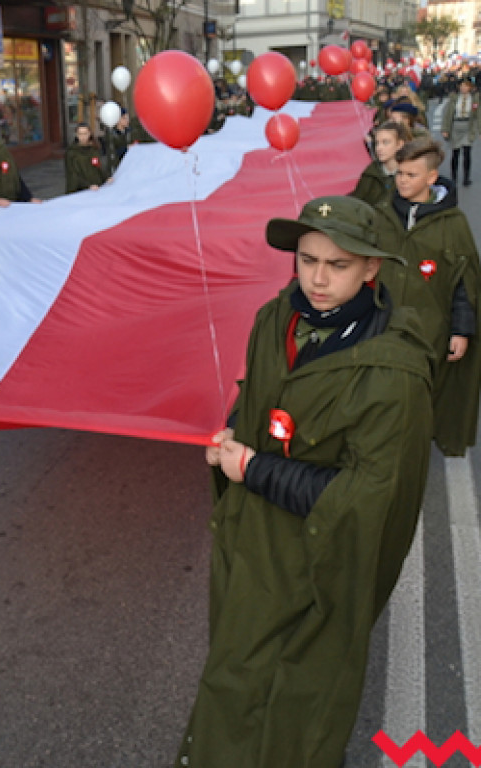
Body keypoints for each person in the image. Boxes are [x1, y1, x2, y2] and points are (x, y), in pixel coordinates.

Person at [177, 196, 433, 768]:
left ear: (371, 268)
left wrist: (256, 469)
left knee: (298, 707)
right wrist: (235, 432)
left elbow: (366, 497)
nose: (316, 279)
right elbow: (258, 396)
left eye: (336, 265)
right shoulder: (276, 318)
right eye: (306, 260)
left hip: (319, 562)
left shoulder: (393, 373)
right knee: (234, 680)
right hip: (253, 545)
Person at [374, 137, 481, 456]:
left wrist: (461, 330)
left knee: (424, 394)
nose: (403, 181)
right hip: (385, 325)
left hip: (430, 330)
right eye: (400, 173)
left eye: (412, 175)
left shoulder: (453, 223)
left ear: (432, 178)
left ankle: (414, 448)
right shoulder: (383, 214)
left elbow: (465, 283)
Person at [350, 120, 412, 205]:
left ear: (400, 144)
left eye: (385, 142)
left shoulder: (411, 174)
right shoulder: (371, 172)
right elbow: (356, 202)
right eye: (377, 143)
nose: (379, 148)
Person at [440, 78, 479, 185]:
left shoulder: (475, 99)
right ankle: (454, 177)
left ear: (470, 87)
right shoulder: (454, 98)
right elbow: (448, 115)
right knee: (455, 153)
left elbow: (478, 115)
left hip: (468, 126)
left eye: (466, 86)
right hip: (456, 126)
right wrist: (445, 129)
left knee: (467, 153)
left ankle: (466, 177)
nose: (463, 88)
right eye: (462, 86)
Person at [64, 122, 109, 193]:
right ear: (76, 135)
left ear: (89, 133)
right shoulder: (71, 153)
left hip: (96, 188)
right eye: (80, 134)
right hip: (80, 191)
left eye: (85, 133)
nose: (83, 137)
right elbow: (73, 174)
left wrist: (106, 177)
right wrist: (88, 185)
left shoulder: (94, 149)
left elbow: (98, 165)